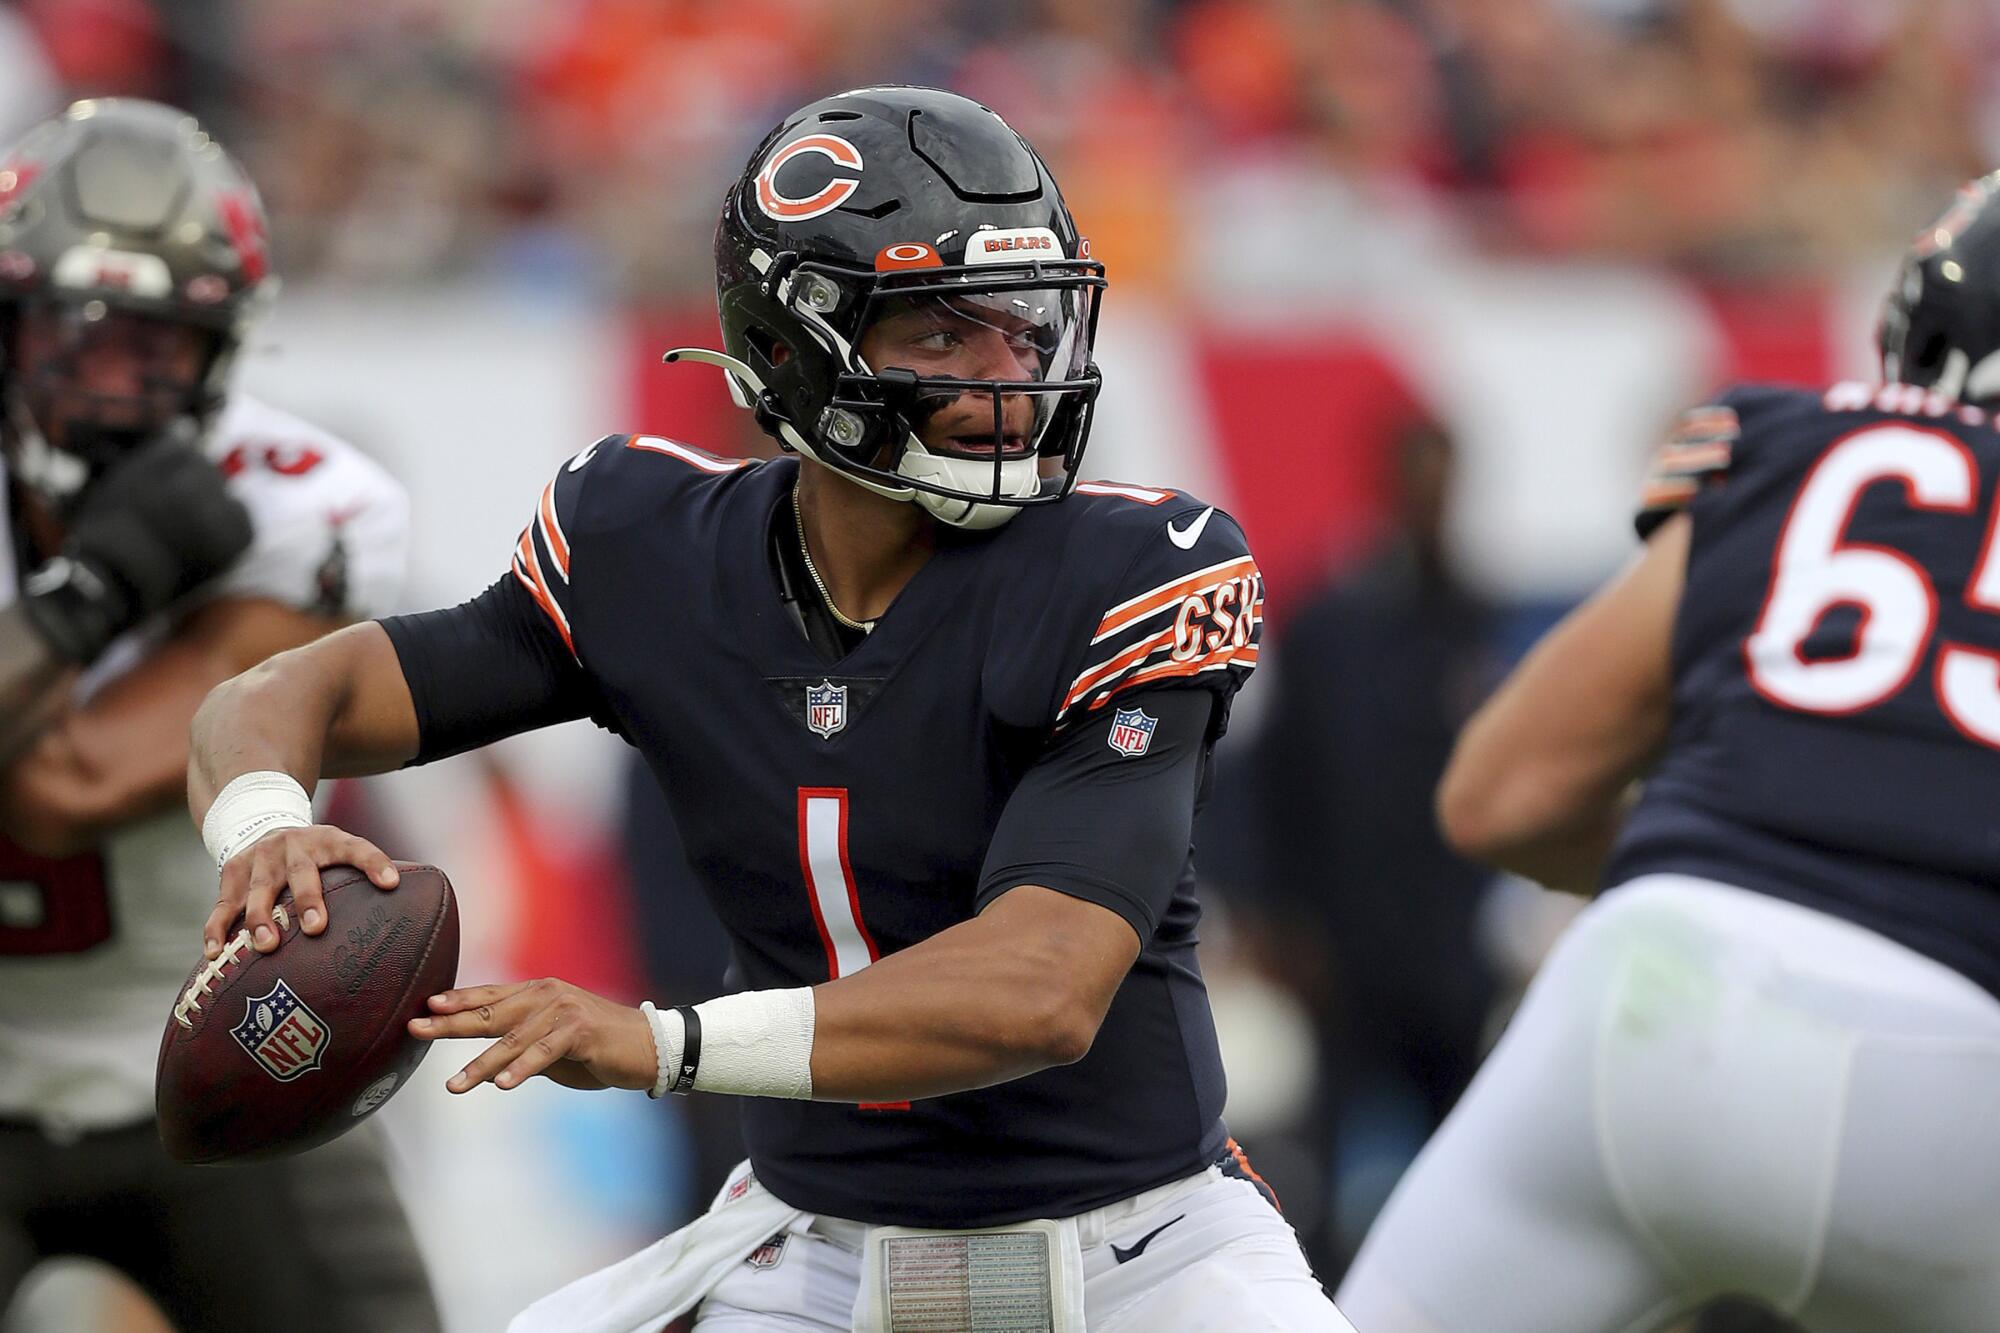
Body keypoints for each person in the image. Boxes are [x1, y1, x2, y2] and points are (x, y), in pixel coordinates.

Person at [187, 86, 1352, 1332]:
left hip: (1144, 1253)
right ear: (793, 348)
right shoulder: (645, 549)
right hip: (814, 1252)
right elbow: (278, 696)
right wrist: (263, 830)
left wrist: (662, 1044)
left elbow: (1041, 991)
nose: (1007, 375)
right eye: (944, 335)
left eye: (1022, 327)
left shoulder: (1132, 567)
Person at [1335, 174, 2000, 1332]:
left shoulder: (1788, 447)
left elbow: (1501, 794)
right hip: (1958, 1066)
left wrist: (1735, 868)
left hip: (1661, 994)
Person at [0, 99, 439, 1332]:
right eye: (72, 337)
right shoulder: (164, 539)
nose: (111, 384)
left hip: (226, 1053)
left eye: (156, 345)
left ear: (224, 350)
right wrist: (100, 592)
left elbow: (65, 785)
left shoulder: (308, 501)